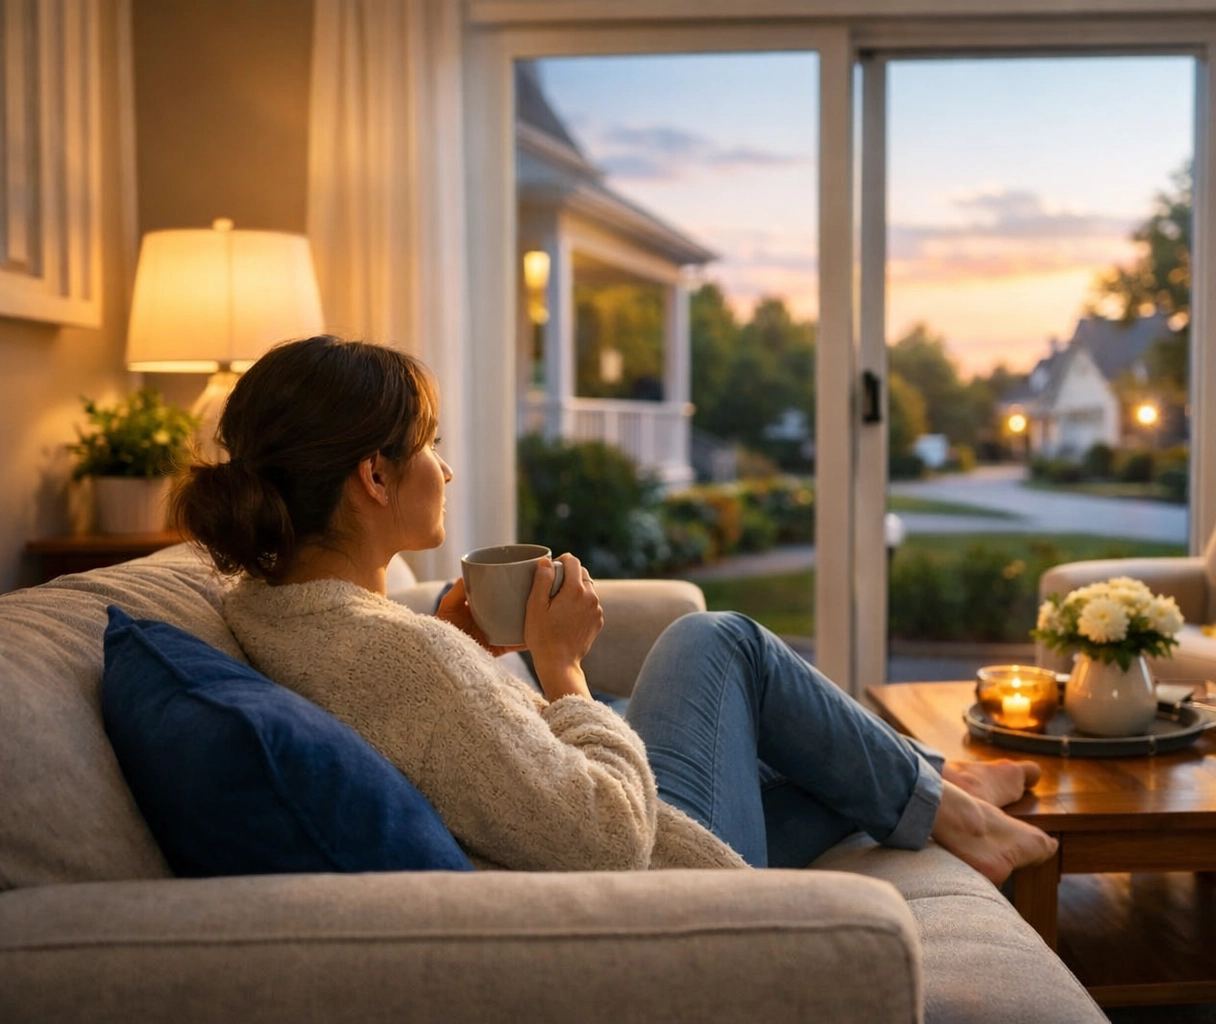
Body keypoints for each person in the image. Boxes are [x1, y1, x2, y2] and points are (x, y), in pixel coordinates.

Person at [172, 336, 1058, 880]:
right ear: (372, 476)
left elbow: (426, 730)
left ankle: (942, 792)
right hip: (648, 878)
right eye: (431, 446)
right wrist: (562, 669)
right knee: (719, 641)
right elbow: (604, 843)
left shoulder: (272, 607)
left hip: (609, 841)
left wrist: (457, 642)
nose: (446, 468)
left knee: (771, 735)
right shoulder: (383, 653)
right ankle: (958, 804)